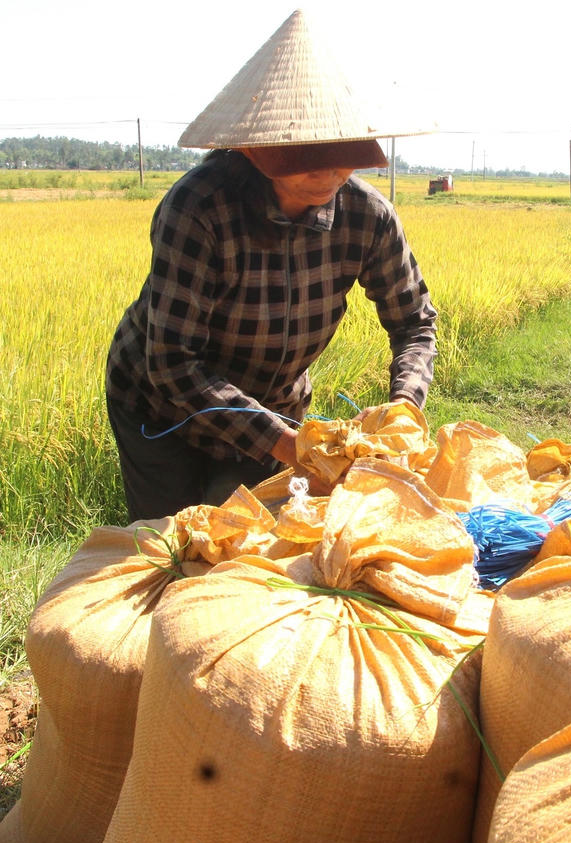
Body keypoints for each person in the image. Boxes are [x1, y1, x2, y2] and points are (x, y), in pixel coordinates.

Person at [104, 10, 436, 522]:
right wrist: (287, 445)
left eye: (342, 153)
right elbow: (172, 362)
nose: (327, 171)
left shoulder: (368, 216)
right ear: (256, 149)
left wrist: (404, 408)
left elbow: (414, 321)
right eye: (306, 155)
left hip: (277, 406)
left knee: (249, 541)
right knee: (171, 542)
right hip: (160, 406)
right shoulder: (199, 208)